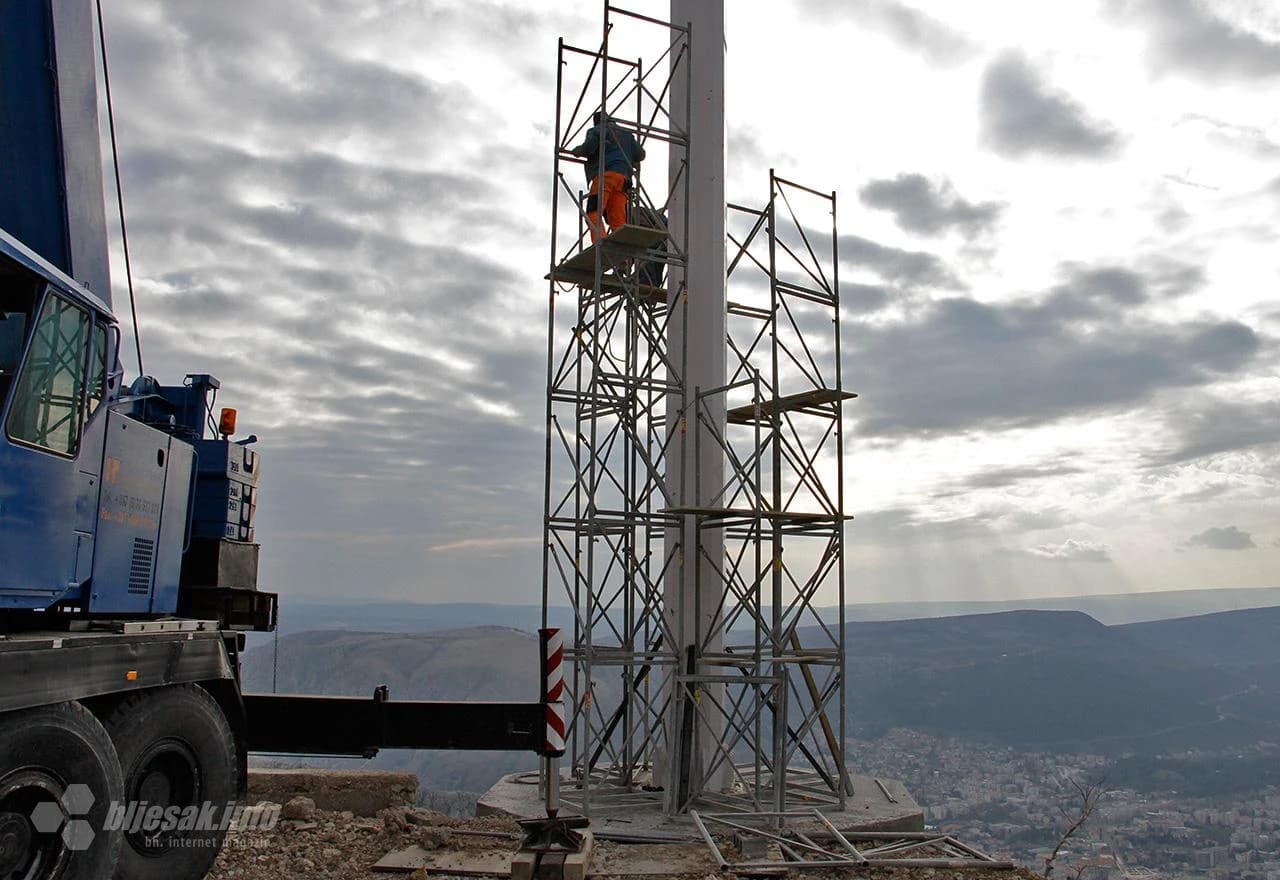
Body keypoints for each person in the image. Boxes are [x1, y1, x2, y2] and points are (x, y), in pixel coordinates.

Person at [571, 111, 645, 243]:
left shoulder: (597, 130)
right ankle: (622, 253)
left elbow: (588, 147)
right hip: (624, 181)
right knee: (617, 219)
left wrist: (577, 151)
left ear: (596, 121)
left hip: (605, 176)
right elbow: (640, 154)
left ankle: (600, 243)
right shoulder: (628, 135)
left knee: (593, 212)